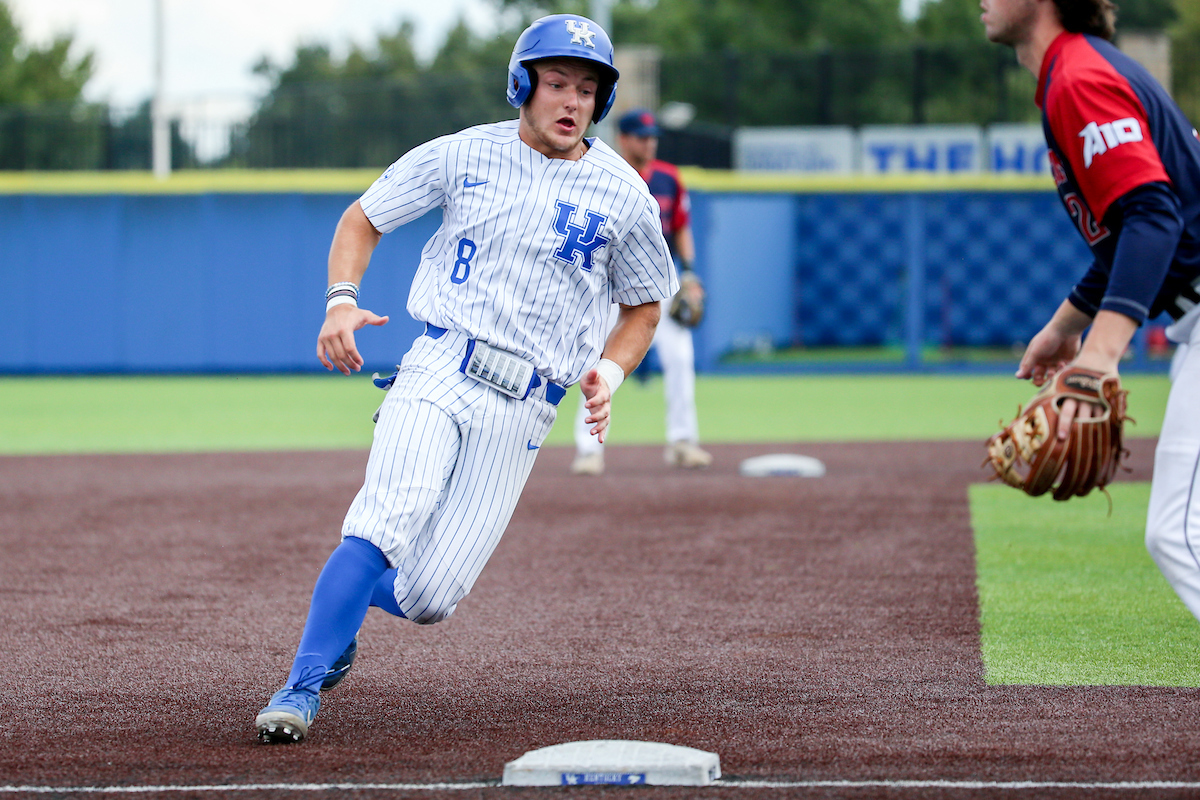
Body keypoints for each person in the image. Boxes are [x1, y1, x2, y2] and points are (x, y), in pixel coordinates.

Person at [253, 13, 677, 744]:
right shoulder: (462, 154)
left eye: (586, 88)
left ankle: (350, 611)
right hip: (442, 366)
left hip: (527, 406)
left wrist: (608, 368)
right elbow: (364, 217)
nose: (570, 101)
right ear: (522, 84)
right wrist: (342, 302)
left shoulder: (626, 194)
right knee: (386, 518)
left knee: (428, 599)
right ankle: (298, 689)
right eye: (555, 84)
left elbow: (644, 304)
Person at [981, 0, 1200, 616]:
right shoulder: (1077, 73)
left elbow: (1153, 219)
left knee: (1180, 536)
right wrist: (1063, 328)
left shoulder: (1077, 78)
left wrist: (1100, 356)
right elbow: (1126, 240)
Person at [570, 108, 712, 475]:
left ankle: (682, 442)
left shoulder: (668, 177)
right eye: (641, 136)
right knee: (593, 365)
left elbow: (681, 226)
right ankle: (589, 450)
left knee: (680, 359)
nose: (649, 142)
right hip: (604, 287)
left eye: (653, 136)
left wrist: (691, 273)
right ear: (624, 138)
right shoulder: (599, 172)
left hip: (658, 284)